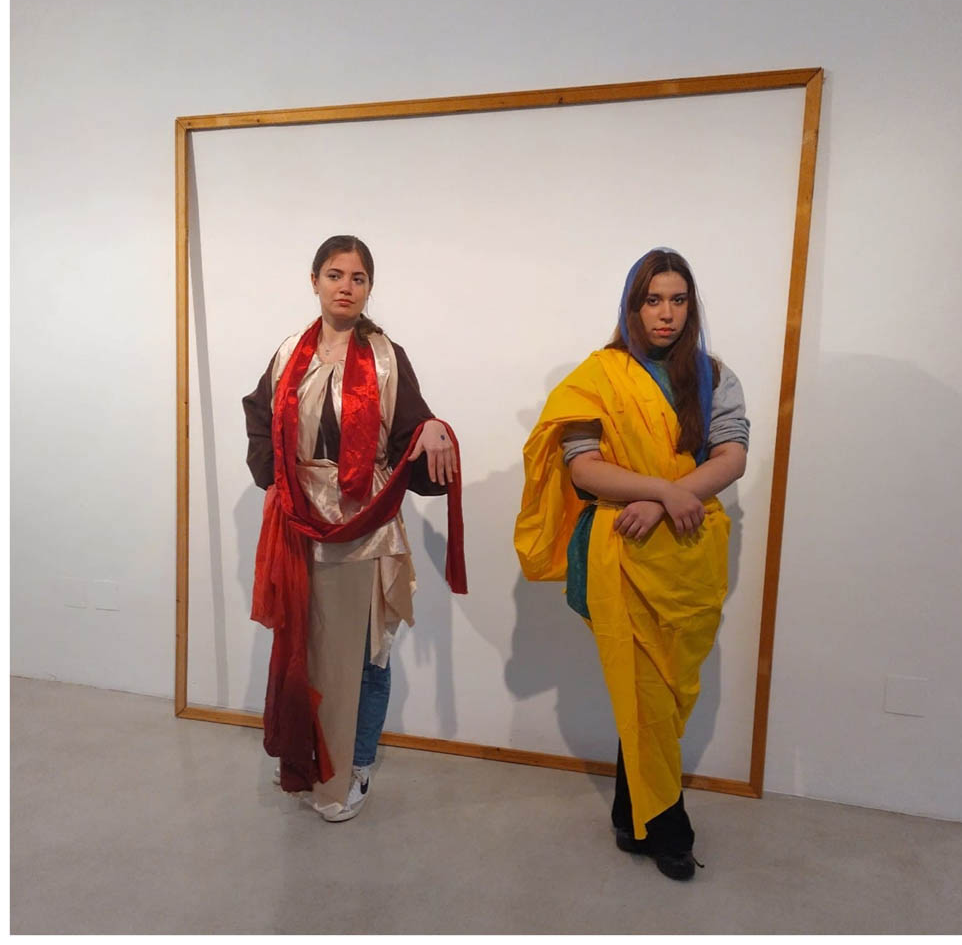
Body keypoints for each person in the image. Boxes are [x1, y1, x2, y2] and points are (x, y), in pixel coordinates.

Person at [514, 247, 749, 880]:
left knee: (664, 697)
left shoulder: (714, 375)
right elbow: (583, 467)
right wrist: (661, 492)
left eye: (678, 300)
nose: (666, 313)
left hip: (689, 555)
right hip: (622, 549)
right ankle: (669, 831)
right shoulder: (599, 375)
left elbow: (731, 456)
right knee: (642, 690)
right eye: (653, 300)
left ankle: (630, 815)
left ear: (690, 306)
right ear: (632, 305)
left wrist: (668, 499)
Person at [243, 234, 466, 823]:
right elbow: (261, 416)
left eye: (358, 277)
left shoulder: (387, 357)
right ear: (314, 281)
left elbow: (412, 430)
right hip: (299, 521)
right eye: (335, 275)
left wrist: (434, 428)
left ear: (369, 287)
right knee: (306, 644)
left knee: (368, 652)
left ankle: (355, 763)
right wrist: (275, 480)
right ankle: (309, 753)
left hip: (363, 525)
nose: (346, 287)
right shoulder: (290, 351)